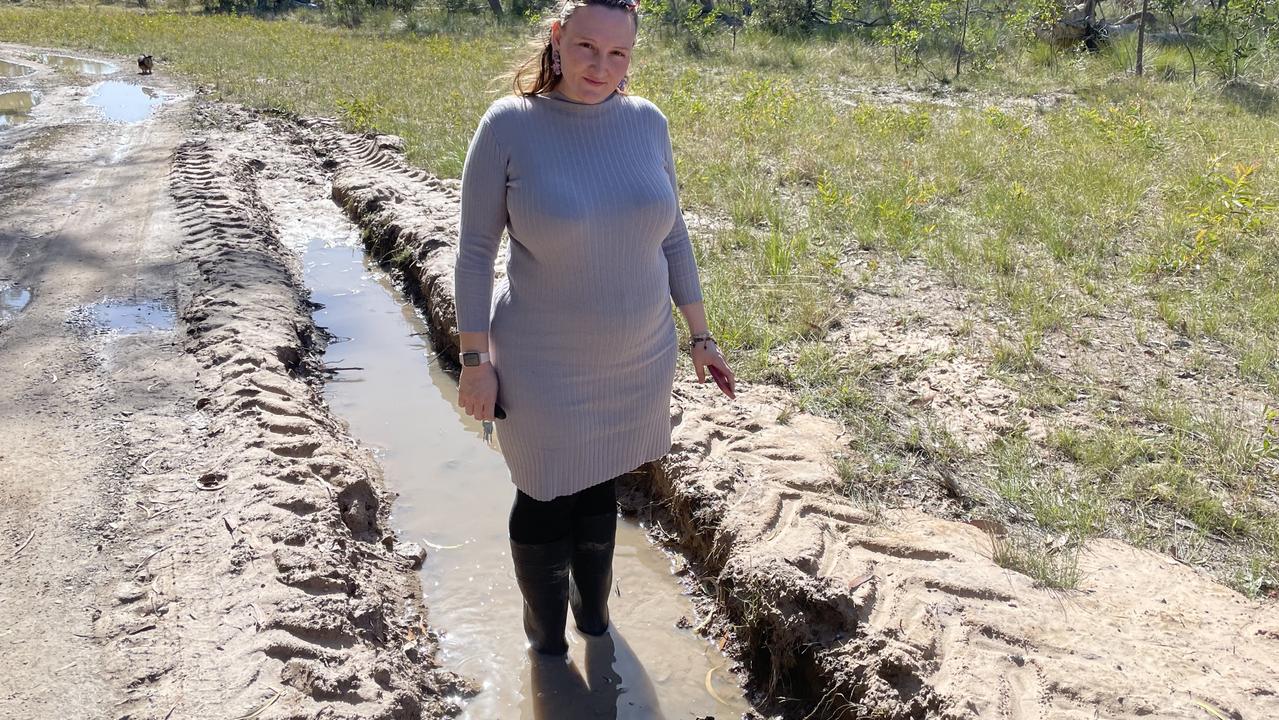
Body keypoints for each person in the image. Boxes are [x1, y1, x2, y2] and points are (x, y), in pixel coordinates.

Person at [453, 0, 735, 657]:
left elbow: (673, 235)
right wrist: (474, 358)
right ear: (557, 38)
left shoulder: (646, 123)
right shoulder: (508, 126)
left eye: (617, 54)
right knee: (546, 492)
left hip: (637, 356)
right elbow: (473, 253)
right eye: (585, 47)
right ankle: (545, 641)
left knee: (600, 482)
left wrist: (700, 335)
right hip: (540, 361)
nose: (599, 66)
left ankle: (596, 623)